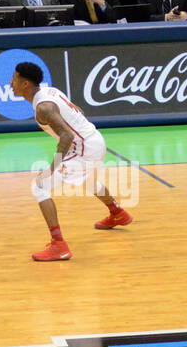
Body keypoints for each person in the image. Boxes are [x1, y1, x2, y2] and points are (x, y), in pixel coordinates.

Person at [10, 60, 131, 262]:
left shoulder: (44, 108)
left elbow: (66, 136)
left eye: (14, 79)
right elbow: (79, 111)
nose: (10, 83)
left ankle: (59, 246)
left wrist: (54, 166)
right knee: (87, 181)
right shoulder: (51, 92)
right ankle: (117, 213)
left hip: (84, 149)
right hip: (94, 141)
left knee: (39, 186)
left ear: (25, 84)